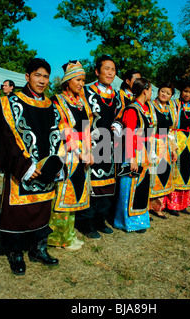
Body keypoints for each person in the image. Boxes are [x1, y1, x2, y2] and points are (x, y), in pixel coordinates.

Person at [0, 58, 64, 275]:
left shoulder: (53, 106)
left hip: (46, 171)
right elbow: (4, 138)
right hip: (21, 169)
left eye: (45, 77)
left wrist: (57, 164)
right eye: (37, 75)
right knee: (17, 213)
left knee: (42, 210)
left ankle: (38, 249)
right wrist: (25, 166)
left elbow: (59, 137)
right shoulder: (10, 103)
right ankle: (15, 253)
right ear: (27, 76)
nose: (42, 81)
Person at [48, 61, 93, 251]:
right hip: (67, 152)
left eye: (83, 80)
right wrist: (79, 151)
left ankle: (69, 234)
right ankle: (58, 237)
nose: (81, 83)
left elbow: (88, 127)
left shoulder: (82, 102)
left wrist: (89, 150)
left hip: (82, 152)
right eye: (78, 79)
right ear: (68, 81)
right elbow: (63, 128)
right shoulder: (57, 101)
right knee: (63, 193)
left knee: (76, 191)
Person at [76, 55, 123, 239]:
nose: (110, 73)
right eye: (106, 68)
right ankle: (86, 222)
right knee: (91, 184)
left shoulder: (117, 95)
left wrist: (119, 125)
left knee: (107, 184)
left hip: (110, 145)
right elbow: (80, 118)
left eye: (113, 69)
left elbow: (120, 116)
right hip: (92, 144)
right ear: (97, 71)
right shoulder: (86, 92)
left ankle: (100, 219)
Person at [113, 78, 153, 233]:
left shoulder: (144, 109)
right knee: (129, 187)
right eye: (150, 90)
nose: (151, 94)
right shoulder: (131, 110)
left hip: (144, 152)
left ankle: (140, 219)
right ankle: (125, 221)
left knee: (141, 187)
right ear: (145, 90)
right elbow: (128, 134)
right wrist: (131, 157)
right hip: (133, 153)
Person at [163, 79, 190, 215]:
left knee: (187, 171)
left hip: (189, 139)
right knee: (176, 171)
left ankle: (184, 203)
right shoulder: (173, 104)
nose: (187, 94)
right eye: (185, 91)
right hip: (177, 138)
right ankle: (172, 204)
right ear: (181, 91)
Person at [148, 81, 178, 219]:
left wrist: (173, 148)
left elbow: (171, 129)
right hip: (153, 143)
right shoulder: (150, 106)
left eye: (168, 93)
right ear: (158, 91)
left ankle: (159, 206)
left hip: (166, 144)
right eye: (163, 91)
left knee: (164, 175)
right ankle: (147, 207)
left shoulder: (170, 108)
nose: (165, 94)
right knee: (153, 175)